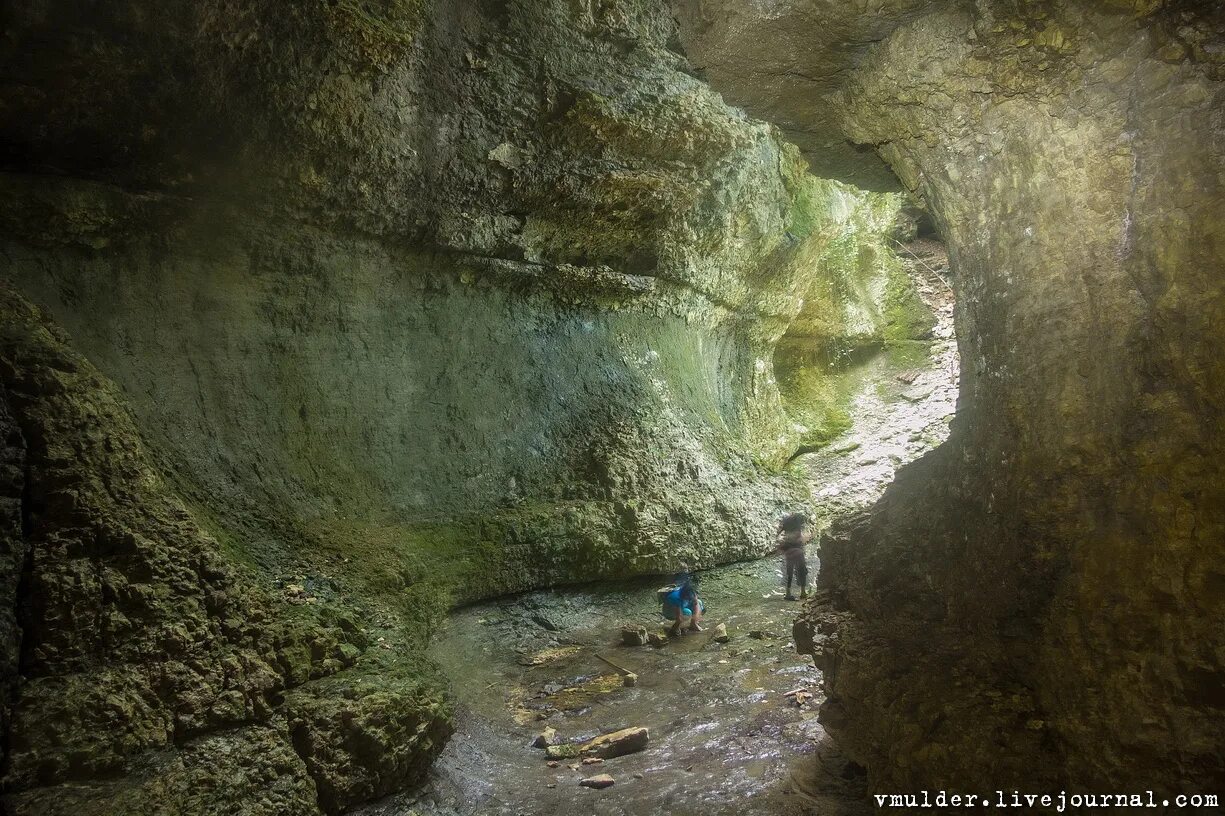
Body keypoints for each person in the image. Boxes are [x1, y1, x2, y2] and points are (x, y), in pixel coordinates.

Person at [774, 512, 812, 600]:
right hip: (798, 550)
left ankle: (788, 593)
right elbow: (800, 536)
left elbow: (778, 533)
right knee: (802, 570)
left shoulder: (786, 522)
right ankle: (803, 592)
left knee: (789, 572)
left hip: (789, 550)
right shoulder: (797, 521)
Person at [661, 571, 704, 635]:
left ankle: (693, 624)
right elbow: (679, 618)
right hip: (669, 611)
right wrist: (676, 626)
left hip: (682, 606)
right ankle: (676, 628)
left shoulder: (691, 592)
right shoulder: (676, 597)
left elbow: (696, 603)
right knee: (688, 613)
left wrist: (694, 619)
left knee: (699, 602)